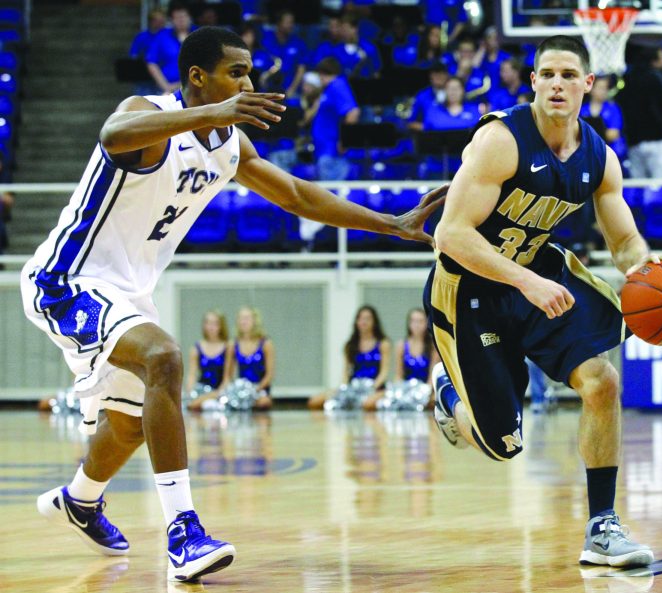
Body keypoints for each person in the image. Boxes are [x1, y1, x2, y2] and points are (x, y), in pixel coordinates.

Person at [20, 26, 445, 582]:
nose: (249, 82)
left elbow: (295, 194)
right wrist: (211, 116)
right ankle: (183, 532)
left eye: (250, 72)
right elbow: (113, 132)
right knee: (165, 358)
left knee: (127, 423)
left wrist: (389, 222)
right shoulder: (148, 113)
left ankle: (79, 500)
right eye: (236, 72)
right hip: (67, 278)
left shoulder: (227, 145)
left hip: (126, 291)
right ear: (197, 77)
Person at [424, 35, 662, 568]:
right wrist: (524, 281)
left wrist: (647, 267)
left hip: (538, 277)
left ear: (589, 83)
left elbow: (625, 243)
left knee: (603, 381)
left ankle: (602, 528)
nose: (557, 83)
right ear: (533, 81)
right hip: (470, 288)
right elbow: (450, 234)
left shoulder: (599, 156)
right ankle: (449, 391)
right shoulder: (501, 139)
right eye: (548, 74)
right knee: (503, 446)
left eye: (569, 74)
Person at [307, 305, 391, 411]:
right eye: (360, 318)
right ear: (356, 322)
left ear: (374, 322)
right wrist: (344, 388)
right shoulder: (350, 345)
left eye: (367, 318)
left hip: (376, 387)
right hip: (353, 386)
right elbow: (345, 372)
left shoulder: (383, 343)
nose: (363, 322)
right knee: (314, 401)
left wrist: (372, 387)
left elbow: (384, 373)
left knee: (368, 404)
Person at [615, 47, 662, 180]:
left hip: (634, 145)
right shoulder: (656, 77)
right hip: (659, 143)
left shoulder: (629, 79)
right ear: (654, 61)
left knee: (637, 191)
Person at [311, 57, 360, 181]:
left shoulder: (337, 85)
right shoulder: (329, 88)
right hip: (325, 150)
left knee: (330, 196)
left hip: (333, 152)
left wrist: (345, 141)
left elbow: (353, 112)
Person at [225, 306, 275, 410]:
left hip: (260, 388)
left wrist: (255, 390)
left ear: (255, 321)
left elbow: (269, 375)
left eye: (247, 318)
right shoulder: (233, 344)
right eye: (241, 318)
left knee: (263, 402)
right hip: (241, 388)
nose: (243, 322)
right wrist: (232, 390)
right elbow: (227, 375)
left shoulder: (266, 343)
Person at [186, 311, 230, 411]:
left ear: (221, 326)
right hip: (202, 389)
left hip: (220, 392)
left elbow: (227, 378)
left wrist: (217, 393)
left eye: (215, 323)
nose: (211, 327)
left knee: (210, 404)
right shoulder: (196, 348)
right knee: (197, 405)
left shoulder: (228, 347)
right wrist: (191, 393)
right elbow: (192, 374)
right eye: (208, 323)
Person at [145, 3, 193, 94]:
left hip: (194, 88)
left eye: (184, 16)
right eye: (177, 17)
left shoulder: (198, 35)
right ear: (172, 20)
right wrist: (166, 87)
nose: (181, 20)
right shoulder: (162, 36)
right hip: (167, 88)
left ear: (190, 18)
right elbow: (151, 62)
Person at [395, 308, 437, 384]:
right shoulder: (401, 345)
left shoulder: (433, 346)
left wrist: (426, 391)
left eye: (420, 321)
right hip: (406, 389)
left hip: (426, 389)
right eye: (413, 321)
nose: (416, 325)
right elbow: (398, 375)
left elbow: (432, 376)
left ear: (427, 323)